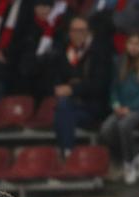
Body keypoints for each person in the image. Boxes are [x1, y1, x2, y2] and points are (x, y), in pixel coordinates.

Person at [100, 31, 139, 184]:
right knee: (106, 129)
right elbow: (114, 88)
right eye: (130, 43)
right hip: (123, 108)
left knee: (124, 125)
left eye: (137, 44)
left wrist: (131, 107)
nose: (133, 47)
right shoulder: (120, 61)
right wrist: (116, 105)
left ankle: (129, 163)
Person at [49, 16, 113, 157]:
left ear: (89, 32)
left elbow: (99, 84)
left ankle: (66, 152)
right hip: (73, 104)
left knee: (63, 108)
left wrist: (73, 88)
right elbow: (58, 78)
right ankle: (67, 153)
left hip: (94, 105)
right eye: (73, 30)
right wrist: (61, 87)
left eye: (81, 30)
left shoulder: (100, 51)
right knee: (63, 110)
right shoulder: (65, 51)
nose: (77, 34)